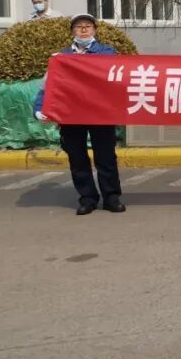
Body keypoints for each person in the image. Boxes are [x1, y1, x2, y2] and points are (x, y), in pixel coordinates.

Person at [33, 14, 124, 216]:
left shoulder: (107, 53)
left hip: (100, 113)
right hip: (71, 114)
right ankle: (87, 198)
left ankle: (111, 197)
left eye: (88, 26)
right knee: (77, 157)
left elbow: (117, 77)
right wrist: (39, 107)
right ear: (72, 31)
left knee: (106, 156)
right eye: (79, 26)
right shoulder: (61, 57)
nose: (83, 30)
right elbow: (47, 85)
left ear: (94, 30)